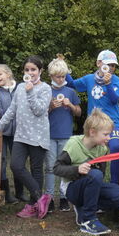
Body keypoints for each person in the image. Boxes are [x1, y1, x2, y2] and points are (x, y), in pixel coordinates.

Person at [0, 56, 52, 219]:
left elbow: (40, 110)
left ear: (40, 71)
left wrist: (30, 92)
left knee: (36, 170)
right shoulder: (20, 87)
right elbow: (11, 112)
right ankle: (42, 198)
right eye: (27, 70)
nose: (30, 73)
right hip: (21, 136)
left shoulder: (45, 89)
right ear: (23, 72)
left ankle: (33, 205)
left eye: (33, 69)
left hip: (38, 136)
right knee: (16, 166)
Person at [53, 110, 119, 235]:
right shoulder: (74, 145)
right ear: (92, 132)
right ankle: (88, 220)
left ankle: (84, 207)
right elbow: (56, 168)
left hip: (91, 184)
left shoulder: (102, 149)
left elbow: (101, 174)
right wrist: (76, 169)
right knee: (95, 174)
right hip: (72, 188)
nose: (108, 138)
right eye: (105, 134)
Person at [66, 50, 119, 184]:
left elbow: (115, 100)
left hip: (112, 122)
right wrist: (65, 70)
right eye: (108, 64)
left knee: (115, 146)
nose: (111, 68)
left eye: (114, 65)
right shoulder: (89, 79)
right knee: (91, 150)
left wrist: (108, 84)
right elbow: (72, 84)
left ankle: (114, 183)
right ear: (98, 63)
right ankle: (93, 181)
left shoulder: (115, 80)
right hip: (95, 123)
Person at [46, 57, 82, 212]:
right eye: (57, 76)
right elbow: (39, 113)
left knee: (64, 167)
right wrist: (51, 107)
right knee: (49, 167)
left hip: (66, 135)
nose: (60, 79)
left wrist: (71, 106)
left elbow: (79, 113)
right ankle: (48, 198)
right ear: (50, 76)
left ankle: (63, 198)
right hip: (48, 135)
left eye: (63, 76)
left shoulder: (70, 92)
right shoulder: (46, 90)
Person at [0, 64, 22, 203]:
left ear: (8, 74)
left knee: (17, 162)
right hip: (1, 132)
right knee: (1, 162)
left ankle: (20, 192)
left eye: (0, 74)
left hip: (18, 132)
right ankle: (6, 194)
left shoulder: (20, 89)